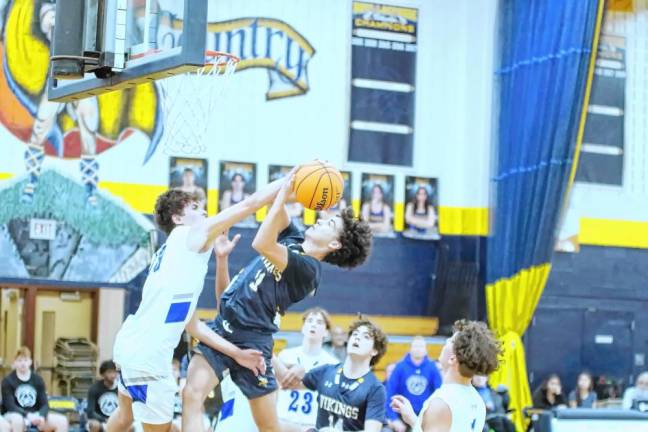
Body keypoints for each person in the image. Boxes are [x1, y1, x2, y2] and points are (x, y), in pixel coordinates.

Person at [181, 173, 373, 432]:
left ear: (335, 243)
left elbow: (261, 242)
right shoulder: (293, 237)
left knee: (269, 428)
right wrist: (295, 180)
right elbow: (274, 206)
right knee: (191, 395)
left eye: (331, 223)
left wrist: (286, 192)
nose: (322, 219)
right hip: (223, 328)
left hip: (254, 341)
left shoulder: (309, 271)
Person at [107, 179, 284, 432]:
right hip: (148, 357)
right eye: (194, 208)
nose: (204, 213)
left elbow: (195, 327)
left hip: (129, 345)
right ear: (178, 219)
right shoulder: (187, 235)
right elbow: (250, 203)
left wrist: (237, 354)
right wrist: (291, 180)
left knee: (125, 417)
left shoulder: (177, 259)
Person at [390, 320, 501, 432]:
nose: (446, 341)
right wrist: (413, 419)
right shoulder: (477, 400)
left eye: (451, 341)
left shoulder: (441, 402)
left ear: (452, 359)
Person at [280, 318, 388, 431]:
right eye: (355, 334)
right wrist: (268, 353)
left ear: (374, 350)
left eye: (365, 337)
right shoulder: (326, 371)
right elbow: (287, 381)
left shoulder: (375, 388)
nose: (357, 337)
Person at [1, 347, 69, 432]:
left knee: (62, 421)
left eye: (25, 360)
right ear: (15, 363)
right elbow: (10, 406)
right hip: (14, 415)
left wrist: (41, 416)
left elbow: (45, 404)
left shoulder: (38, 380)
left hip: (36, 415)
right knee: (17, 420)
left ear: (30, 362)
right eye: (19, 360)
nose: (23, 364)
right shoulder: (8, 381)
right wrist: (28, 415)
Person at [385, 337, 442, 432]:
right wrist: (394, 419)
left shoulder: (432, 367)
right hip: (402, 416)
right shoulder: (400, 367)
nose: (418, 349)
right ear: (410, 349)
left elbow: (439, 393)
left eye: (421, 346)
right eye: (415, 346)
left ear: (426, 350)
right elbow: (390, 394)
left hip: (425, 417)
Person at [87, 360, 119, 432]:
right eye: (109, 372)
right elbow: (90, 412)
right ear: (103, 374)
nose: (113, 375)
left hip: (117, 421)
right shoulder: (94, 388)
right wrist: (104, 420)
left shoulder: (120, 389)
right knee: (94, 425)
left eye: (114, 372)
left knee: (131, 426)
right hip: (100, 421)